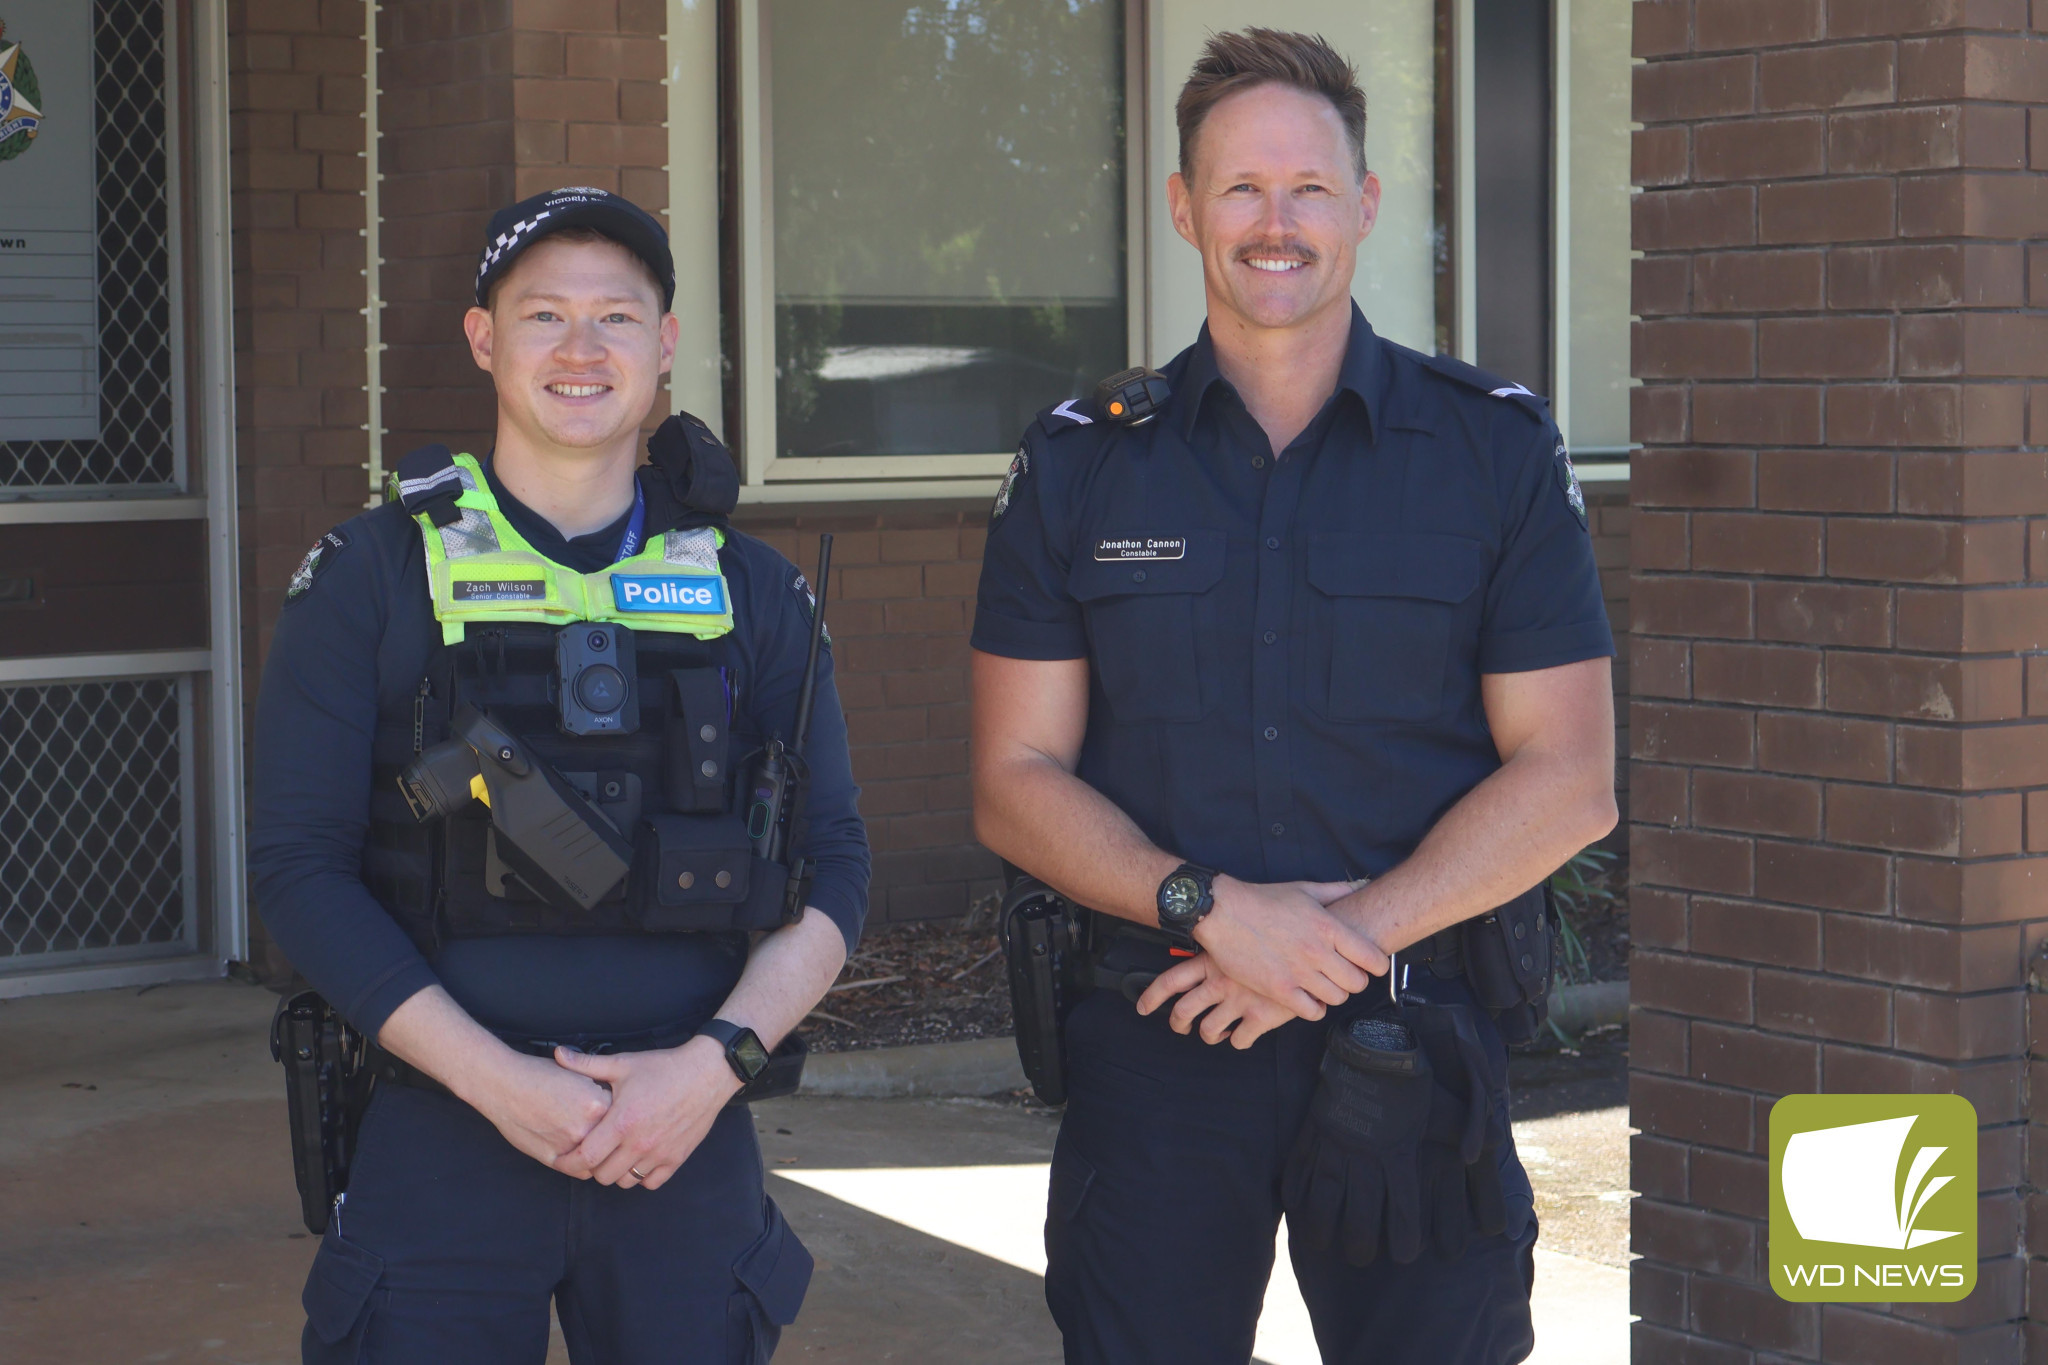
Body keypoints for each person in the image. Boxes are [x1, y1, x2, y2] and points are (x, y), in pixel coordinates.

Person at [971, 29, 1616, 1365]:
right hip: (1162, 1037)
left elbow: (1568, 775)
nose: (1277, 222)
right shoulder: (1085, 463)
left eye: (1310, 187)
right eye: (1243, 187)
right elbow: (1013, 779)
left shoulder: (1490, 449)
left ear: (1366, 205)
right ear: (1183, 205)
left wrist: (1334, 942)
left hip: (1414, 1031)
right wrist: (1213, 911)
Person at [250, 186, 867, 1364]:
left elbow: (834, 864)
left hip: (681, 1131)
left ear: (665, 344)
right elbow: (297, 867)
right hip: (442, 1129)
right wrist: (498, 1083)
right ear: (484, 339)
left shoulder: (754, 589)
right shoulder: (370, 574)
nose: (580, 351)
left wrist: (710, 1070)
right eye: (543, 316)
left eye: (616, 318)